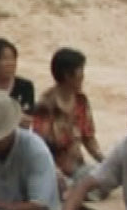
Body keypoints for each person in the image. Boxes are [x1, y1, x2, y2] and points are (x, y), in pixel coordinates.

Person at [32, 48, 104, 189]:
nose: (83, 76)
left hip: (77, 167)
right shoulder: (46, 104)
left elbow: (88, 138)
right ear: (67, 75)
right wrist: (56, 171)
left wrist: (105, 163)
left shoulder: (81, 100)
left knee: (101, 179)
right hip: (54, 169)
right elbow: (41, 146)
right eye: (80, 71)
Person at [0, 37, 35, 115]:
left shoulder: (25, 86)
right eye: (4, 59)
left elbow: (30, 114)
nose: (10, 64)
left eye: (12, 59)